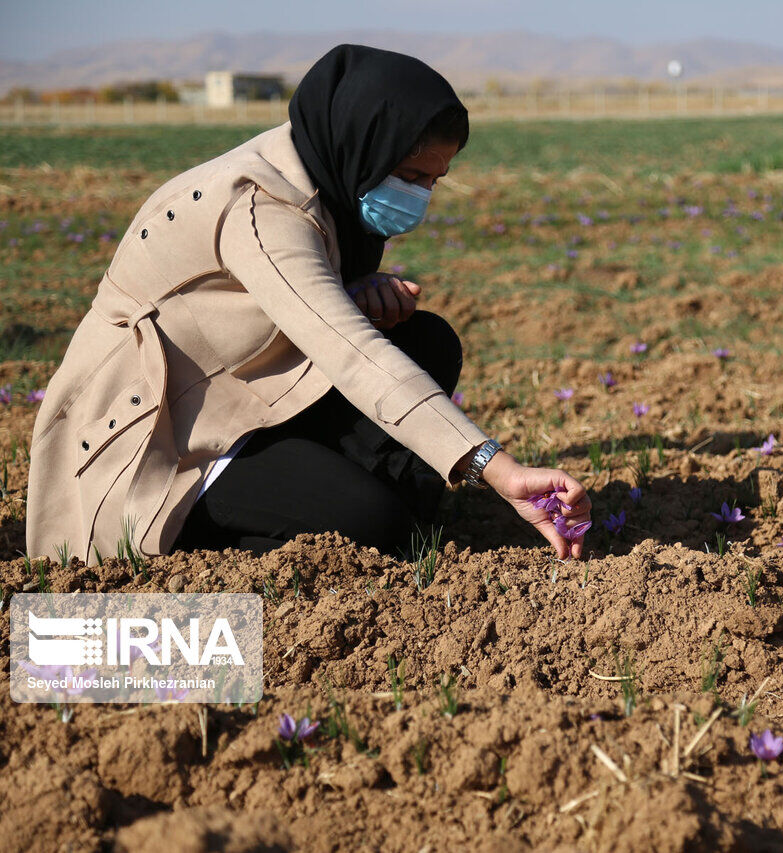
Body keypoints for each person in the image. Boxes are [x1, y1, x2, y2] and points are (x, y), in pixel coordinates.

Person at [25, 44, 591, 562]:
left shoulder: (318, 171)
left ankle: (376, 520)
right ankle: (217, 544)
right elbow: (351, 354)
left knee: (426, 343)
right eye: (412, 175)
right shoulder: (260, 208)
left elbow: (288, 302)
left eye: (434, 181)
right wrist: (497, 467)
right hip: (166, 437)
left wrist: (346, 291)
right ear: (363, 147)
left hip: (245, 392)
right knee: (373, 522)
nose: (420, 196)